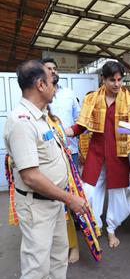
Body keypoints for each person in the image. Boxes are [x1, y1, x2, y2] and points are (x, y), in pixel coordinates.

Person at [4, 60, 86, 279]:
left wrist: (64, 196)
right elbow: (31, 176)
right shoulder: (22, 122)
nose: (55, 88)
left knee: (58, 256)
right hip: (37, 203)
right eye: (54, 83)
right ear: (40, 84)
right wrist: (70, 199)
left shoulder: (43, 118)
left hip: (53, 202)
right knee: (36, 268)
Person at [66, 61, 130, 248]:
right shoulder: (91, 99)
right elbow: (81, 126)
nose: (117, 84)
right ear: (103, 79)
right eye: (112, 80)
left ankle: (111, 230)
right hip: (96, 153)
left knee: (119, 197)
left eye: (120, 80)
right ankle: (96, 226)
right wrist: (61, 131)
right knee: (89, 194)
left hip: (119, 155)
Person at [42, 58, 81, 263]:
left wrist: (73, 139)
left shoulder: (68, 94)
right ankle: (58, 245)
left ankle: (73, 246)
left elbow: (78, 122)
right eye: (48, 69)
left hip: (69, 153)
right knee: (53, 202)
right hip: (47, 156)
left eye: (55, 69)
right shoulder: (38, 95)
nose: (53, 72)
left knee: (69, 198)